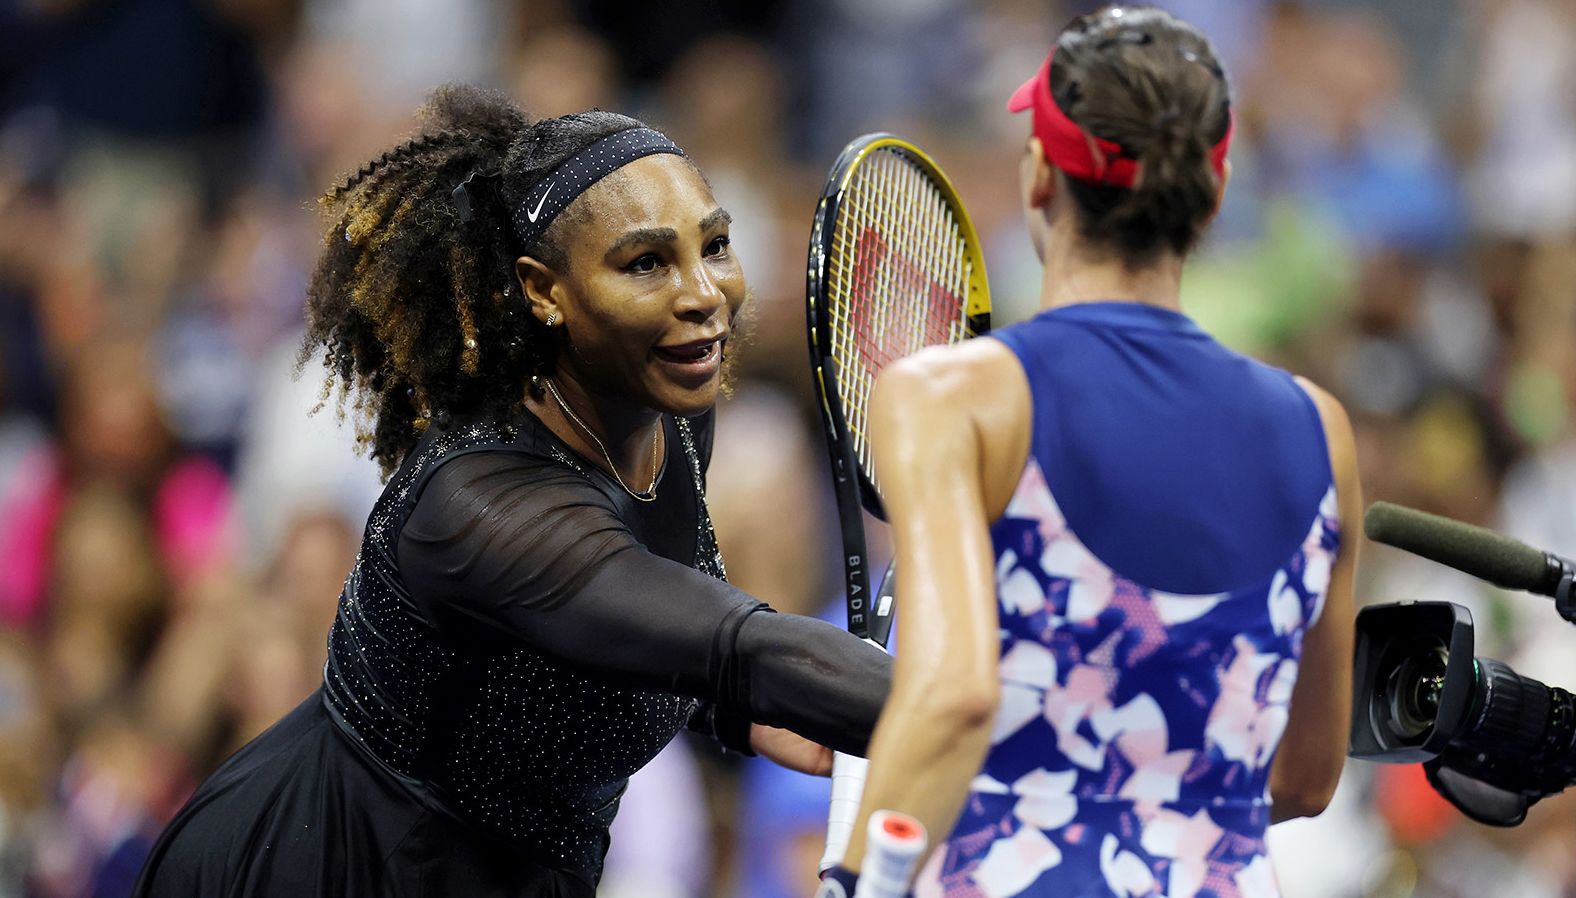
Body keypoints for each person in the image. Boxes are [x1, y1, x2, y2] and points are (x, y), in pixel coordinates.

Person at [133, 85, 893, 898]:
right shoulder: (482, 510)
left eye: (713, 245)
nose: (702, 293)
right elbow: (729, 642)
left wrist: (742, 714)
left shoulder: (666, 408)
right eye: (646, 262)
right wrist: (980, 704)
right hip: (325, 866)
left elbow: (610, 648)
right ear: (543, 289)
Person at [823, 7, 1360, 897]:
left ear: (1039, 177)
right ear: (1213, 196)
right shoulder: (1322, 428)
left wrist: (853, 883)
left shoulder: (946, 396)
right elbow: (1305, 777)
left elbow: (953, 698)